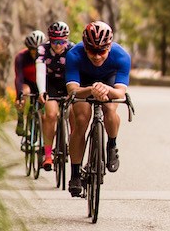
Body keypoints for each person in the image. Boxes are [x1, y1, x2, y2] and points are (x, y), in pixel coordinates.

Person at [65, 21, 131, 197]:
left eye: (101, 51)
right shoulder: (74, 55)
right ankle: (75, 174)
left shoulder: (121, 56)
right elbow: (72, 90)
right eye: (92, 51)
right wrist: (92, 89)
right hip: (85, 83)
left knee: (110, 109)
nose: (96, 56)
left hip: (109, 81)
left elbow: (119, 92)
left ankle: (112, 144)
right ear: (85, 47)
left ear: (109, 47)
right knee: (80, 120)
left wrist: (105, 89)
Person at [37, 20, 75, 171]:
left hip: (68, 82)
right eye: (54, 41)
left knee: (74, 113)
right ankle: (47, 155)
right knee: (51, 115)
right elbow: (39, 70)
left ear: (66, 40)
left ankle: (74, 146)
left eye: (61, 41)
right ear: (49, 40)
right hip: (50, 83)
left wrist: (74, 91)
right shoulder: (43, 49)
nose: (58, 45)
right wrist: (42, 91)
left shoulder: (72, 49)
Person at [13, 29, 46, 136]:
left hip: (42, 84)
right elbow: (19, 77)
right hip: (28, 83)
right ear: (28, 48)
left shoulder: (47, 57)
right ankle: (21, 118)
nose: (35, 52)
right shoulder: (21, 57)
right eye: (32, 49)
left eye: (38, 49)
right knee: (25, 92)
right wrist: (19, 95)